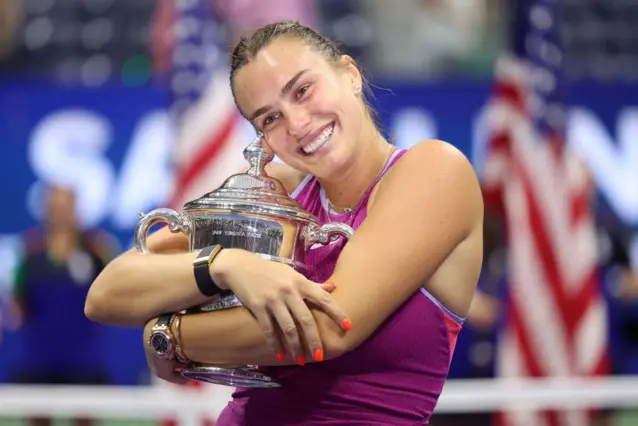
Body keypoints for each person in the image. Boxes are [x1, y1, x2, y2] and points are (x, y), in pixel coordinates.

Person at [85, 20, 484, 425]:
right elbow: (105, 294)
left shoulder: (434, 170)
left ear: (350, 74)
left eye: (303, 91)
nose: (296, 123)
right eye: (269, 119)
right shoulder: (279, 194)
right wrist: (227, 266)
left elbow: (330, 328)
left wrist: (170, 336)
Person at [11, 185, 117, 426]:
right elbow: (18, 303)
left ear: (75, 209)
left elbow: (115, 291)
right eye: (54, 207)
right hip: (39, 360)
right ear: (46, 210)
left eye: (65, 207)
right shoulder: (31, 250)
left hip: (84, 360)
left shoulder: (97, 249)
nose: (60, 213)